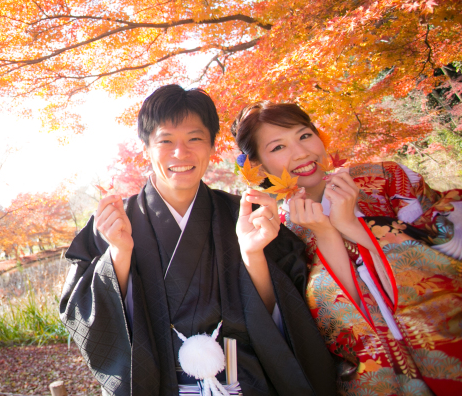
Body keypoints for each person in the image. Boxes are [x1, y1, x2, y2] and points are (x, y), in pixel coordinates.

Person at [60, 85, 336, 396]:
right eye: (165, 141)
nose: (181, 153)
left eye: (195, 139)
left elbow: (294, 309)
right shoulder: (111, 224)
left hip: (247, 382)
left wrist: (253, 254)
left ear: (212, 146)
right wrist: (119, 256)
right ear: (145, 149)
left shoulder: (247, 215)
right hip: (157, 383)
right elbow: (82, 316)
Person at [232, 101, 462, 395]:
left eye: (304, 135)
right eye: (278, 147)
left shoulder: (386, 179)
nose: (302, 153)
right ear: (259, 167)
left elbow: (450, 251)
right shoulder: (280, 232)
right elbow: (305, 327)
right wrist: (325, 233)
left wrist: (353, 226)